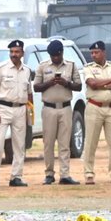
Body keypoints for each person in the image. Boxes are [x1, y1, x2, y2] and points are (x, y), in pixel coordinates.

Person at [0, 39, 34, 187]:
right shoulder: (1, 68)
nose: (14, 54)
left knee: (19, 145)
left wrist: (30, 114)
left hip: (20, 109)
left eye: (17, 52)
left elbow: (29, 93)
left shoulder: (26, 70)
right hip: (3, 108)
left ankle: (16, 176)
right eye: (12, 52)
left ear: (22, 53)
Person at [80, 40, 111, 185]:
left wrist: (102, 84)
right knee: (90, 142)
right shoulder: (88, 67)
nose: (93, 55)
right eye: (92, 53)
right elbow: (92, 84)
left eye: (96, 52)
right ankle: (88, 173)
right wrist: (109, 81)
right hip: (94, 107)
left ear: (103, 52)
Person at [35, 39, 81, 184]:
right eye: (52, 56)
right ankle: (49, 174)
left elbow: (78, 86)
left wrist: (66, 83)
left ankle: (65, 174)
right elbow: (36, 87)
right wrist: (49, 83)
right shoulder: (43, 67)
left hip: (65, 108)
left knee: (64, 143)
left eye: (57, 55)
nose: (55, 58)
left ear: (62, 53)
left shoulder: (71, 66)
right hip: (49, 108)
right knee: (48, 143)